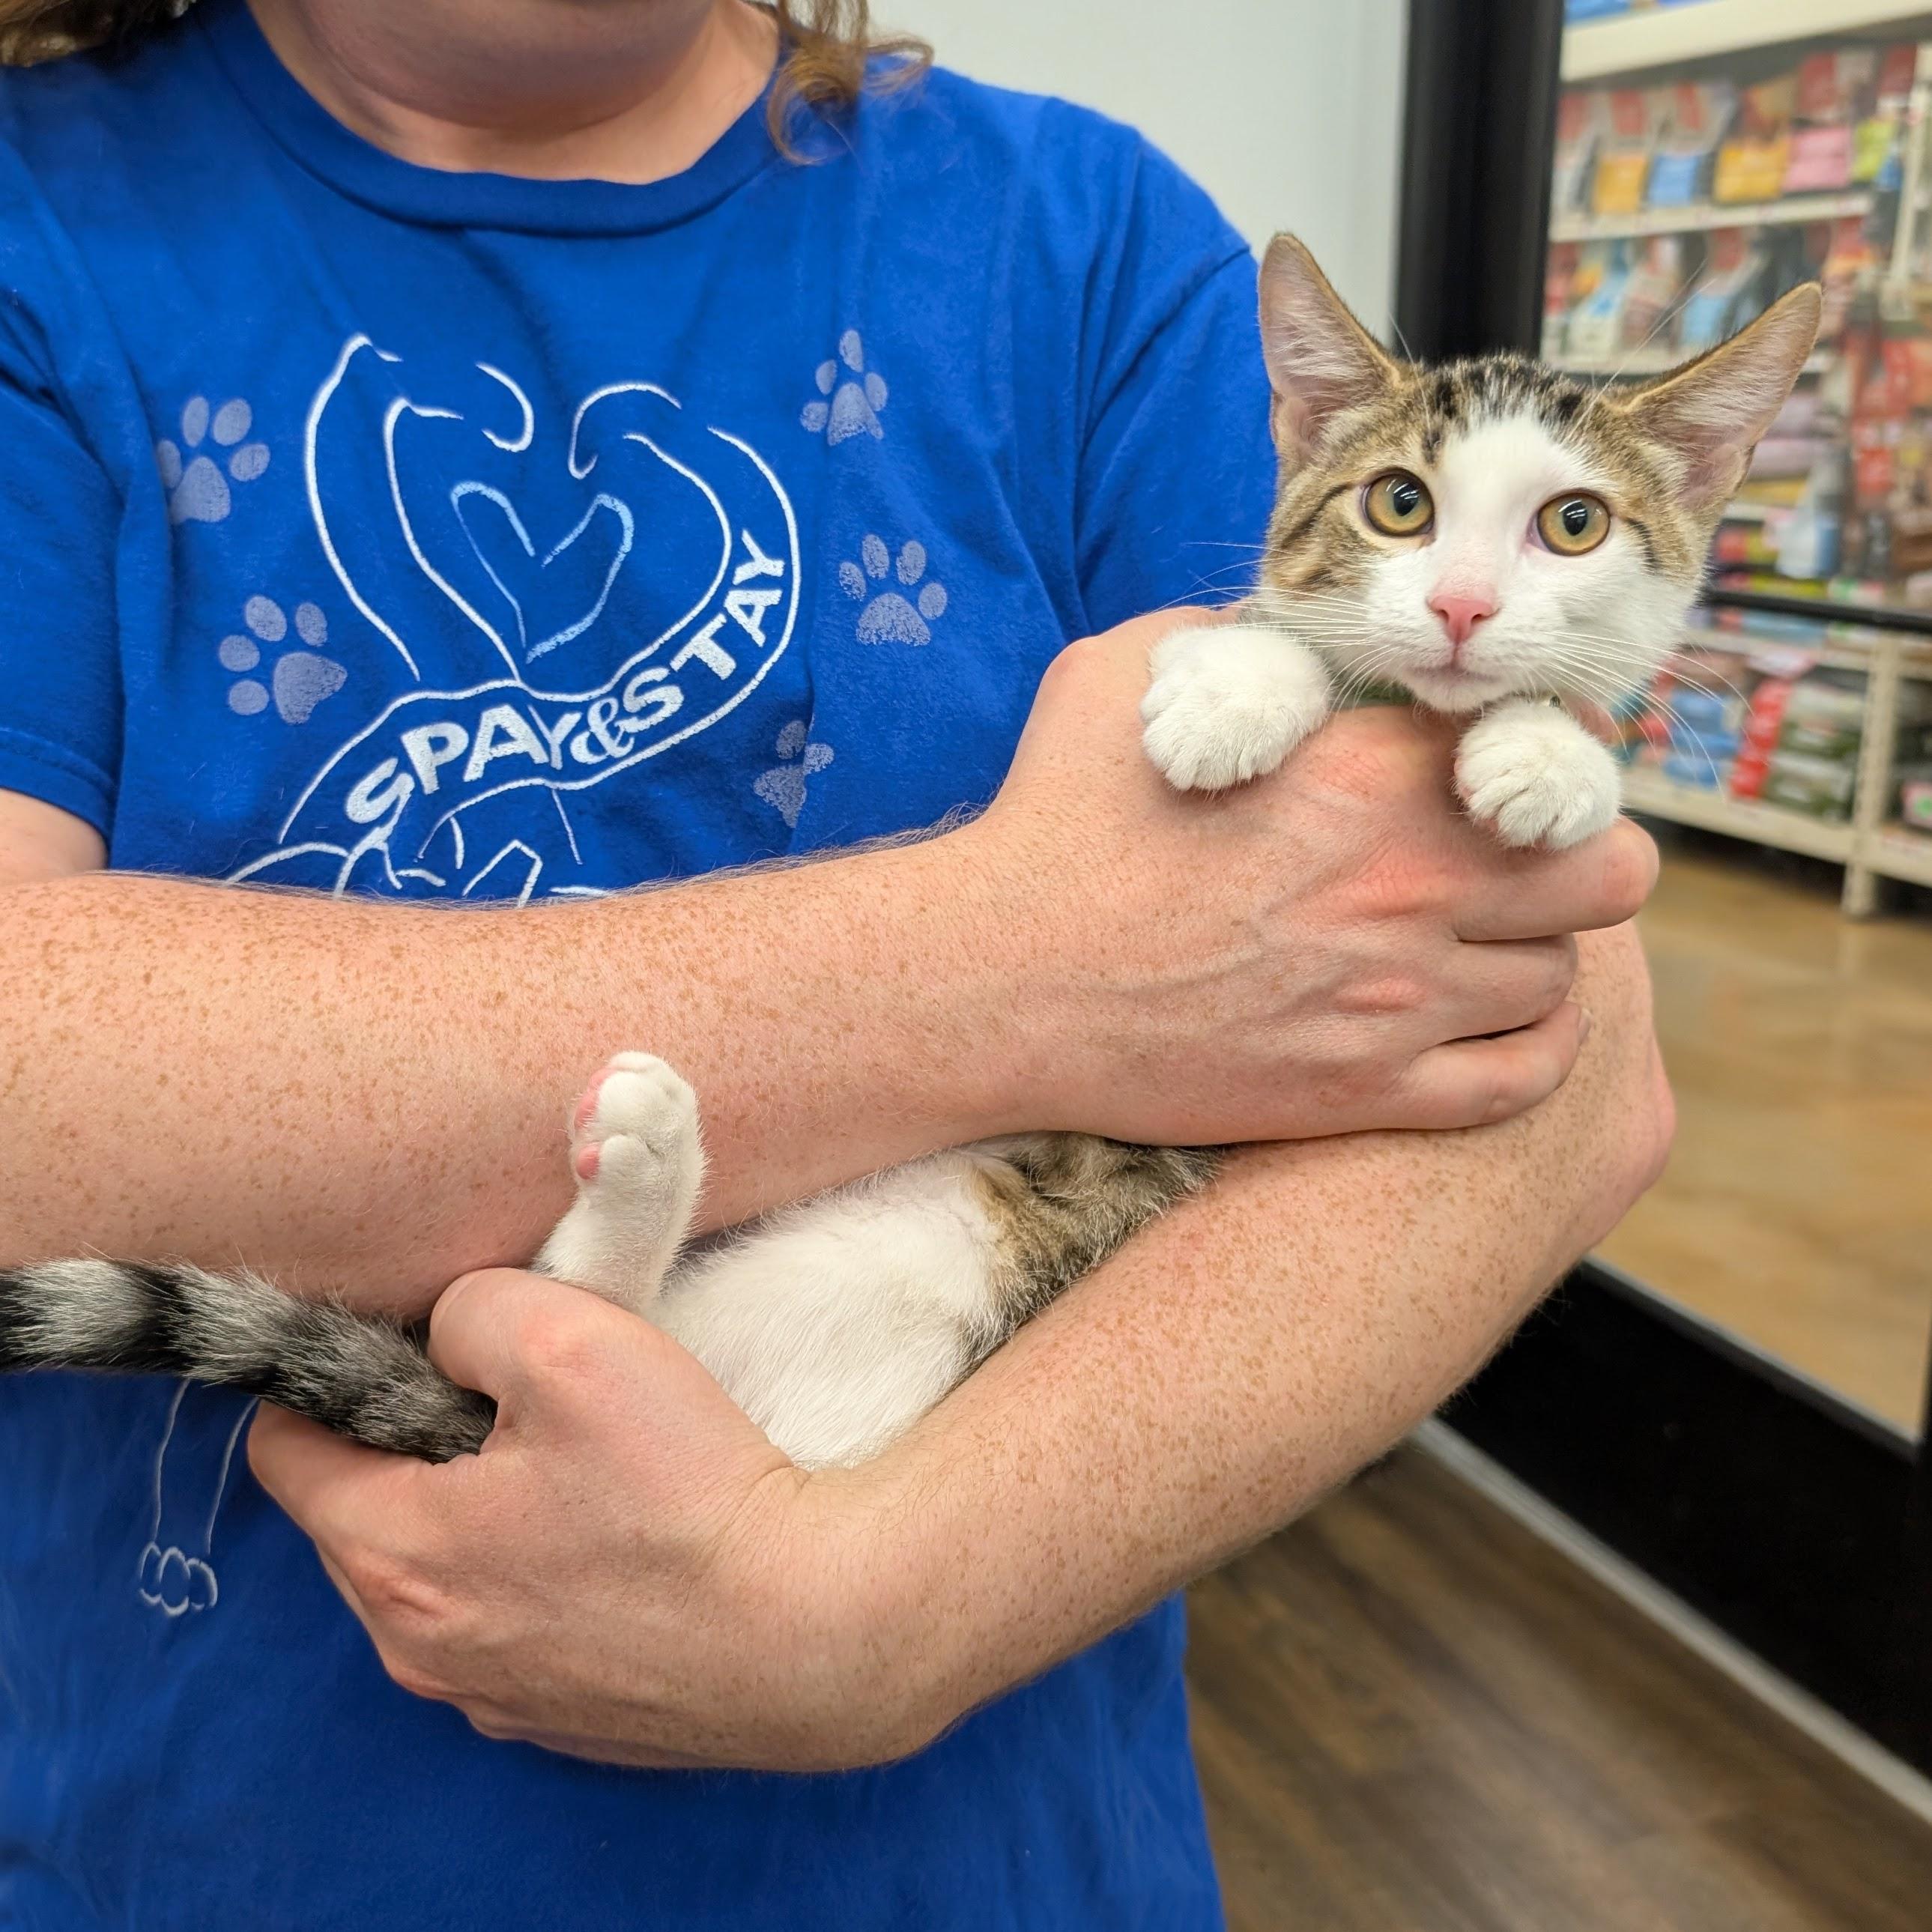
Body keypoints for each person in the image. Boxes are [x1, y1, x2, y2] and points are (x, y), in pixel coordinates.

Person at [0, 0, 1671, 1925]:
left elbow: (1557, 1022)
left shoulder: (1081, 242)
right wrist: (1019, 964)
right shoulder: (48, 219)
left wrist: (869, 1609)